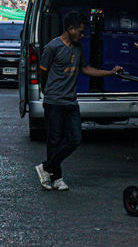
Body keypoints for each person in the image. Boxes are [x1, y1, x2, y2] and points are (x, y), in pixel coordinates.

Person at [34, 10, 124, 191]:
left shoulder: (77, 48)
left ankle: (45, 168)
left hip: (70, 102)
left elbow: (86, 69)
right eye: (80, 31)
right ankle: (57, 178)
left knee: (75, 138)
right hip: (54, 102)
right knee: (54, 140)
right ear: (69, 28)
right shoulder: (52, 48)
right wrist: (49, 94)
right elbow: (42, 72)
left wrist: (110, 73)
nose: (83, 36)